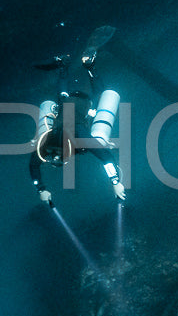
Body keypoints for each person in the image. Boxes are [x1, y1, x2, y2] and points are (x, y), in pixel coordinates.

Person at [30, 26, 126, 206]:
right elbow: (34, 166)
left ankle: (87, 66)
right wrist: (41, 189)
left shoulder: (78, 136)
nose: (56, 161)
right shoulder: (47, 144)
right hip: (65, 104)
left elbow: (105, 156)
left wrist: (116, 183)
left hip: (83, 103)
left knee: (99, 95)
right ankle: (65, 65)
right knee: (62, 97)